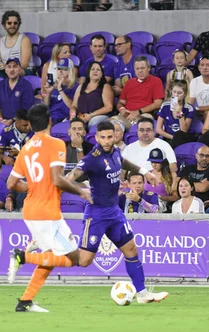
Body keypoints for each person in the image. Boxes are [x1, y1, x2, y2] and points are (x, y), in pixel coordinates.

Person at [65, 120, 168, 303]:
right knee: (84, 261)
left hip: (114, 212)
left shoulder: (115, 152)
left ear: (115, 137)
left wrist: (145, 172)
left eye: (109, 137)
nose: (106, 141)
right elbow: (70, 177)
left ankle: (142, 294)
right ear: (96, 138)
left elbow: (124, 163)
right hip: (96, 214)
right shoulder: (91, 159)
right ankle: (56, 247)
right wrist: (79, 190)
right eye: (102, 137)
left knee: (131, 249)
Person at [6, 104, 93, 313]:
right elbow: (57, 179)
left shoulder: (26, 148)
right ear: (50, 122)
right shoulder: (55, 144)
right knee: (76, 259)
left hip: (31, 210)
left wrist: (33, 186)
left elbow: (11, 184)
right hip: (47, 213)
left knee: (50, 257)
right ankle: (23, 257)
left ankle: (25, 301)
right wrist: (81, 191)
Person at [116, 56, 164, 129]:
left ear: (148, 68)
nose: (140, 71)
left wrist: (138, 112)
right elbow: (121, 102)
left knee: (136, 126)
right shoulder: (129, 82)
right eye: (137, 69)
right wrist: (122, 109)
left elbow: (158, 104)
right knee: (106, 125)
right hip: (126, 114)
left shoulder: (156, 81)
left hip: (144, 115)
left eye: (142, 68)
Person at [70, 62, 114, 128]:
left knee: (92, 122)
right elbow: (74, 106)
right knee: (67, 124)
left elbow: (109, 107)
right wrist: (72, 115)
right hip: (81, 116)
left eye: (98, 70)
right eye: (92, 69)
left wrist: (91, 115)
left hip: (98, 116)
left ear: (102, 74)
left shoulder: (105, 86)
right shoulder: (81, 87)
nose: (95, 71)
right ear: (88, 73)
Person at [0, 58, 35, 125]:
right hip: (3, 121)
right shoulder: (1, 84)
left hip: (21, 121)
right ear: (5, 70)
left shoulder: (26, 85)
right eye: (9, 67)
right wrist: (0, 120)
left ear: (20, 69)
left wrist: (11, 120)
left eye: (15, 66)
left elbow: (26, 110)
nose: (12, 70)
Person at [0, 11, 34, 77]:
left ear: (18, 24)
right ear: (4, 24)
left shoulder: (25, 40)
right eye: (9, 23)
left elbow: (24, 65)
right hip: (6, 71)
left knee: (15, 72)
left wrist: (7, 67)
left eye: (15, 23)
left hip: (23, 71)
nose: (12, 25)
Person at [155, 80, 194, 148]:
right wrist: (172, 137)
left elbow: (183, 131)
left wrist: (179, 113)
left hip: (183, 139)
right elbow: (158, 129)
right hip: (168, 137)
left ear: (184, 94)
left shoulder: (189, 108)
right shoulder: (165, 106)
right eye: (174, 92)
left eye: (179, 93)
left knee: (178, 135)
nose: (176, 95)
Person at [43, 58, 78, 125]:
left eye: (64, 69)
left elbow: (72, 106)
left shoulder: (76, 86)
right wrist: (48, 93)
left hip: (63, 118)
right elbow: (46, 105)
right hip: (50, 117)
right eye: (59, 69)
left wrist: (60, 90)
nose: (60, 71)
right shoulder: (54, 85)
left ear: (70, 71)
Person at [145, 148, 178, 212]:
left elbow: (176, 197)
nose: (154, 165)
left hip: (163, 207)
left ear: (163, 162)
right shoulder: (147, 174)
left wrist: (160, 197)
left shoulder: (172, 175)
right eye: (152, 162)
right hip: (145, 206)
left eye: (157, 162)